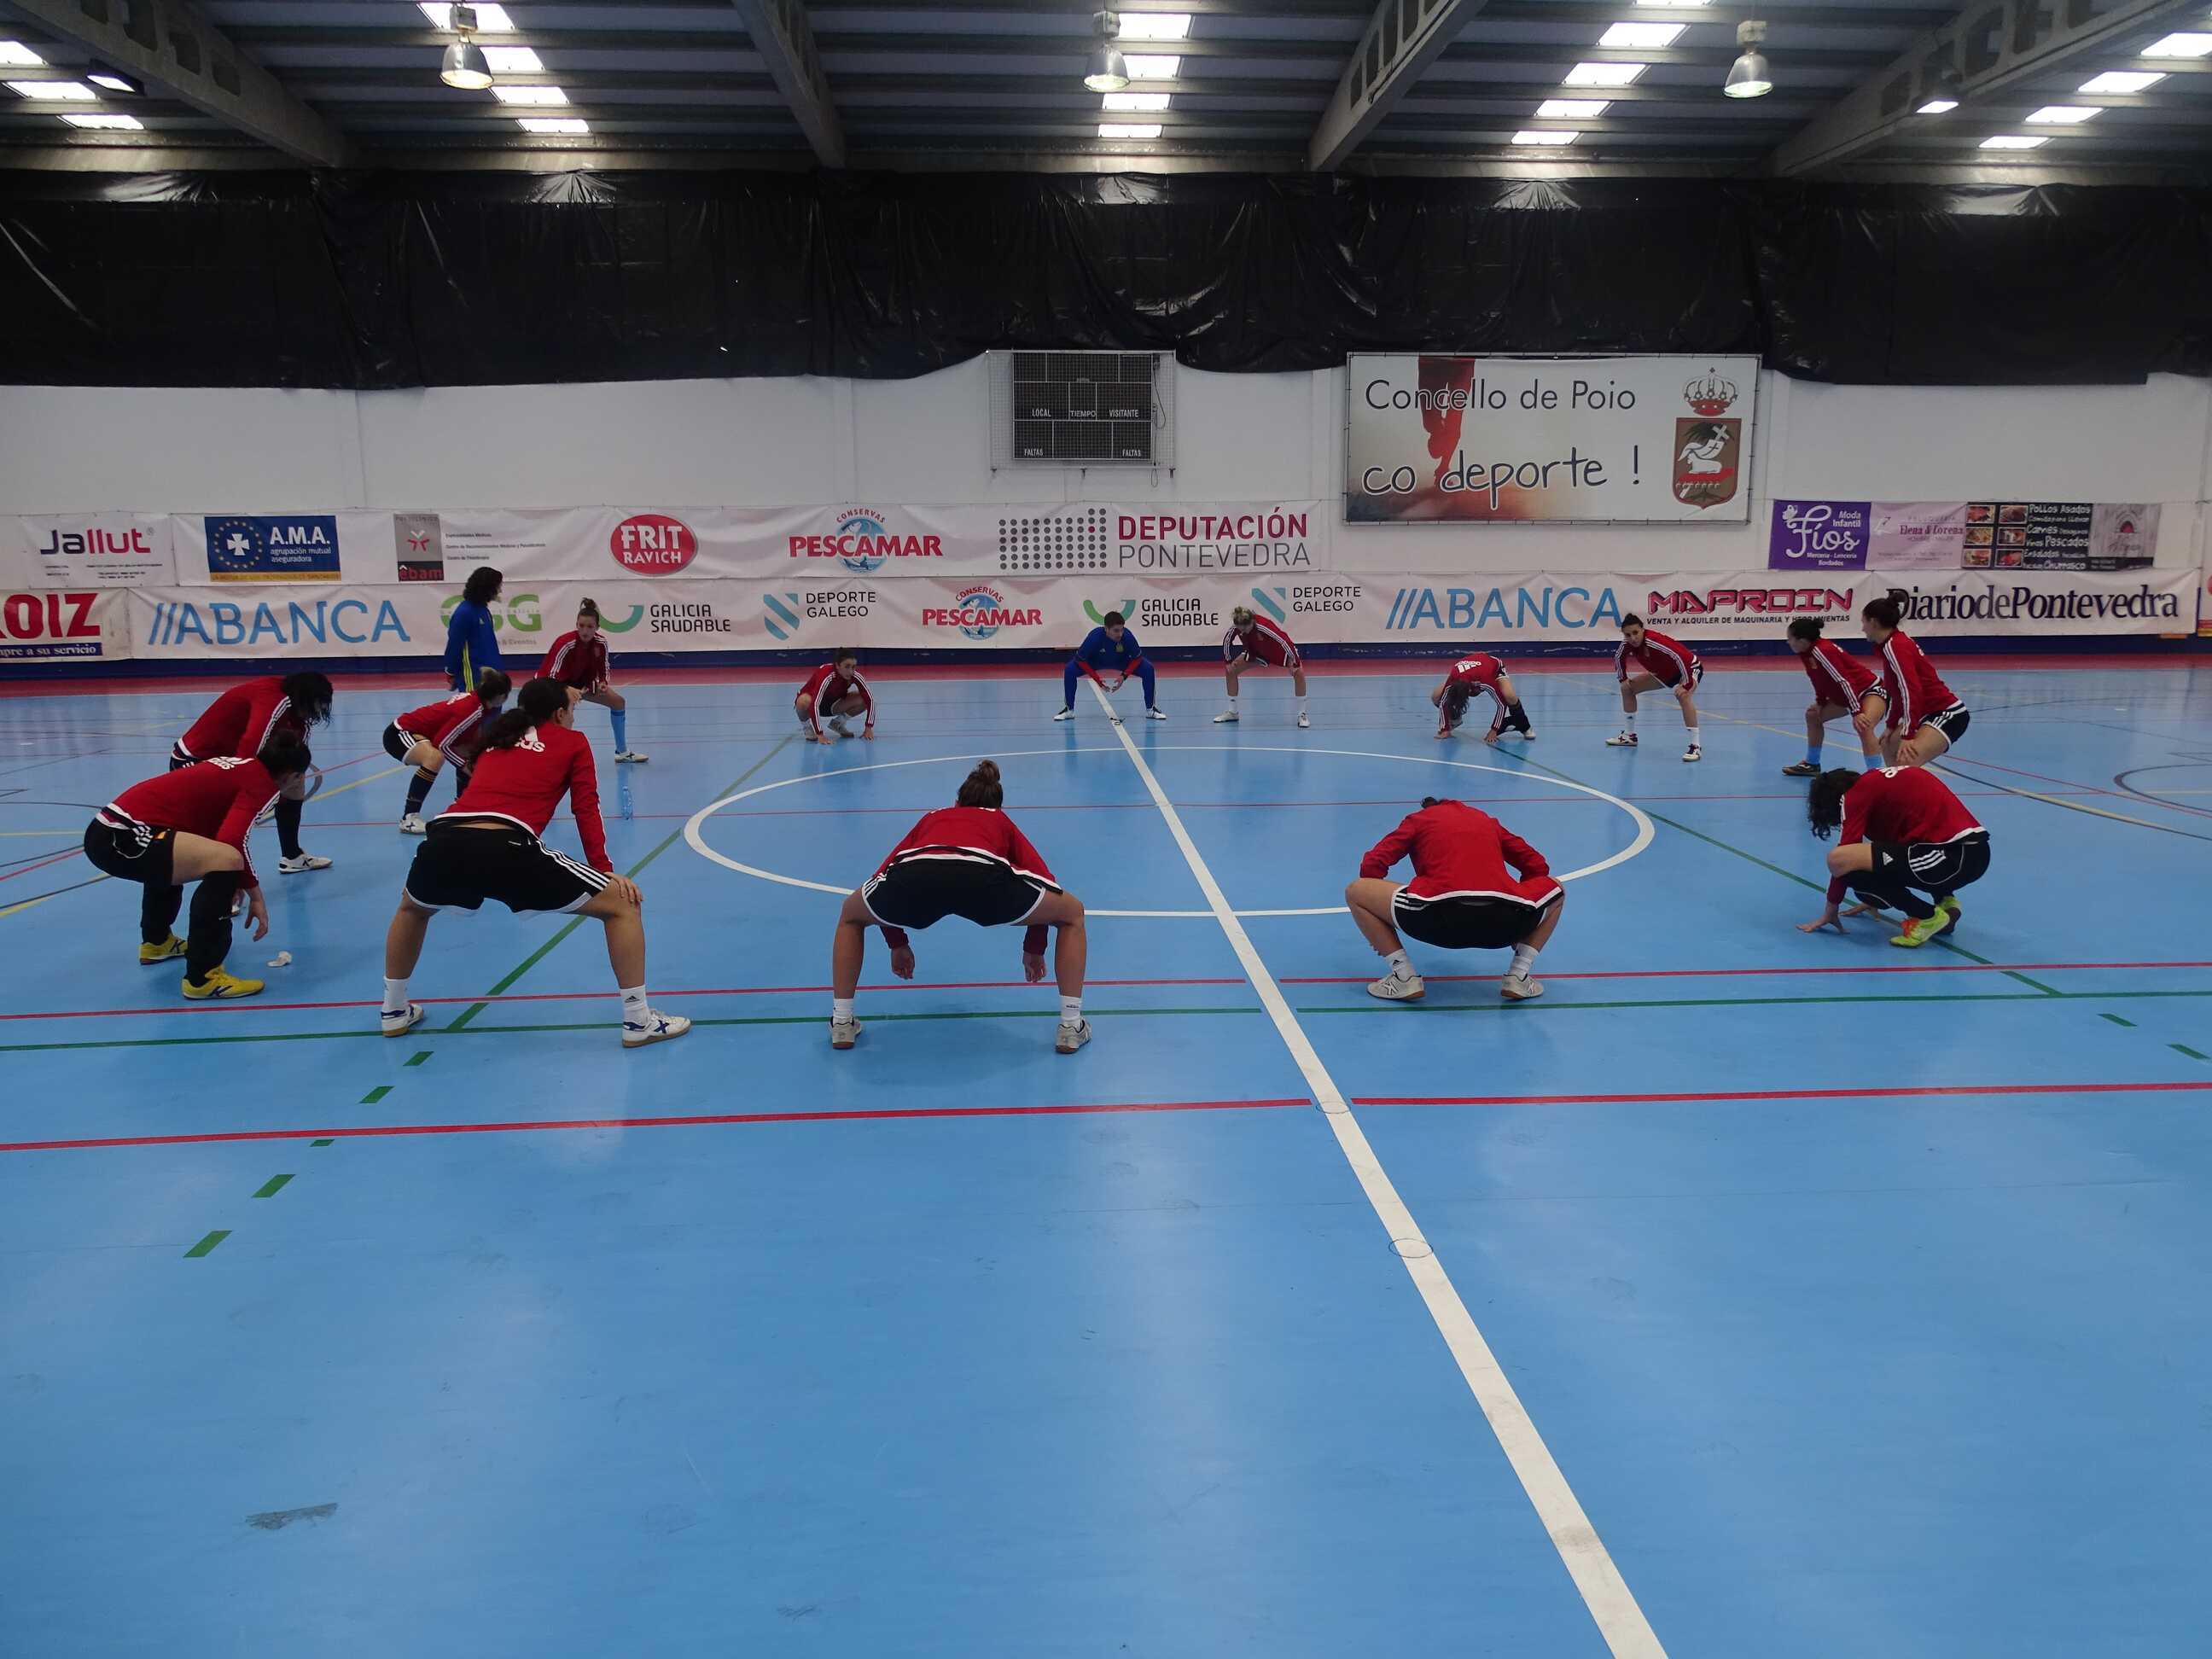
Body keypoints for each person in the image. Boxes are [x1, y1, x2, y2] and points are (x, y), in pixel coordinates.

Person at [379, 677, 688, 1050]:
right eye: (571, 710)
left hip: (444, 836)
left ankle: (393, 1010)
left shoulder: (497, 737)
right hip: (507, 844)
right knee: (624, 905)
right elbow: (585, 806)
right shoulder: (573, 741)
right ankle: (639, 1021)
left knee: (412, 909)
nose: (573, 717)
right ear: (558, 713)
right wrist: (603, 868)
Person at [829, 760, 1090, 1054]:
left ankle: (842, 1022)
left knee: (851, 915)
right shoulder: (999, 820)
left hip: (918, 875)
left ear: (956, 802)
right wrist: (1034, 946)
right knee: (1072, 913)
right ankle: (1071, 1026)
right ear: (998, 807)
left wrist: (897, 942)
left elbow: (884, 873)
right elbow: (1043, 879)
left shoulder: (933, 817)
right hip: (982, 878)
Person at [81, 734, 313, 1001]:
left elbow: (216, 831)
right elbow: (232, 842)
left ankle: (157, 943)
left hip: (109, 831)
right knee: (227, 862)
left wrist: (235, 882)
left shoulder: (242, 765)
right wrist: (255, 894)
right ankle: (203, 978)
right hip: (123, 837)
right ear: (292, 776)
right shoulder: (263, 785)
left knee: (187, 854)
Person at [1347, 795, 1563, 1004]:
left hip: (1437, 920)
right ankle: (1519, 975)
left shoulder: (1418, 820)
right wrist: (1522, 912)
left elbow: (1372, 866)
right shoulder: (1486, 820)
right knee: (1556, 889)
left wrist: (1382, 914)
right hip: (1504, 925)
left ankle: (1403, 977)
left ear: (1428, 808)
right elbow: (1537, 867)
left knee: (1357, 891)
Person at [1797, 763, 1989, 948]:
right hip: (1975, 855)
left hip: (1949, 859)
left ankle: (1927, 917)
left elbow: (1844, 857)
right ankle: (1946, 901)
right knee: (1869, 869)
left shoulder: (1854, 795)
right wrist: (1875, 894)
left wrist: (1832, 908)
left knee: (1839, 860)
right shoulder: (1882, 783)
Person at [170, 671, 335, 875]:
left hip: (226, 759)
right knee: (226, 821)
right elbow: (249, 747)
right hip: (194, 759)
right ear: (304, 698)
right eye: (314, 707)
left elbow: (294, 758)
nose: (314, 715)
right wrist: (254, 791)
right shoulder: (273, 700)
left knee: (296, 780)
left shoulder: (297, 715)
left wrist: (282, 785)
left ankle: (292, 857)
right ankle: (219, 878)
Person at [384, 670, 511, 834]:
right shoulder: (471, 709)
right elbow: (442, 745)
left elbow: (466, 745)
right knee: (435, 758)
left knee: (471, 753)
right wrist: (465, 766)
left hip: (419, 735)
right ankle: (409, 818)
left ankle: (463, 807)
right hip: (399, 734)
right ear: (501, 696)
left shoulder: (477, 705)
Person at [1860, 594, 1968, 766]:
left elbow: (1911, 691)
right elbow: (1896, 692)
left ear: (1873, 622)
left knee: (1907, 759)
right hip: (1924, 714)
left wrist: (1908, 735)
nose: (1863, 628)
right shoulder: (1890, 645)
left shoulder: (1896, 646)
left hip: (1946, 713)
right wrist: (1891, 725)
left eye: (1864, 622)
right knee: (1887, 746)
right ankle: (1891, 784)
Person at [539, 597, 646, 763]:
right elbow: (551, 677)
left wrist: (603, 682)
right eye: (581, 626)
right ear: (576, 625)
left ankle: (622, 752)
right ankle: (557, 755)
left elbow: (604, 668)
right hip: (550, 685)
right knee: (567, 712)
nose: (585, 631)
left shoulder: (601, 643)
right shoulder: (565, 643)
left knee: (618, 702)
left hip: (581, 685)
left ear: (597, 627)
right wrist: (569, 691)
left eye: (590, 627)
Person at [1782, 616, 1883, 776]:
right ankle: (1812, 764)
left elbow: (1844, 681)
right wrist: (1820, 702)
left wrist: (1857, 712)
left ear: (1802, 640)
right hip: (1851, 694)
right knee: (1813, 716)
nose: (1788, 642)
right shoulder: (1806, 652)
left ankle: (1876, 774)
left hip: (1870, 690)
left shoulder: (1822, 651)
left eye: (1790, 639)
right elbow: (1817, 678)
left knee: (1864, 726)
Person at [1608, 614, 1703, 761]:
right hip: (1664, 674)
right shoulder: (1627, 643)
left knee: (1683, 696)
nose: (1633, 638)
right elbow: (1618, 657)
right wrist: (1623, 678)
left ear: (1642, 630)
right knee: (1627, 689)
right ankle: (1629, 736)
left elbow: (1680, 657)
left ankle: (1695, 746)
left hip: (1689, 668)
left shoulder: (1653, 640)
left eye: (1635, 632)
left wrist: (1687, 684)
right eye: (1628, 635)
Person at [1056, 611, 1163, 724]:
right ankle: (1069, 710)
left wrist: (1124, 675)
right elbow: (1080, 660)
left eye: (1122, 629)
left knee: (1148, 669)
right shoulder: (1094, 637)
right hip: (1095, 662)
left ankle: (1151, 710)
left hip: (1122, 661)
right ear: (1106, 629)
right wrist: (1096, 679)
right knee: (1070, 670)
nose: (1120, 634)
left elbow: (1137, 658)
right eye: (1116, 630)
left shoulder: (1127, 636)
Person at [1215, 605, 1309, 728]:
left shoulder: (1264, 625)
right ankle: (1233, 712)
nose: (1243, 632)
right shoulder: (1237, 626)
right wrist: (1228, 662)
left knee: (1299, 672)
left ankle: (1302, 714)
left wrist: (1295, 663)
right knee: (1231, 670)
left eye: (1245, 629)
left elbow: (1284, 641)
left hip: (1278, 653)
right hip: (1257, 653)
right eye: (1240, 629)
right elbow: (1227, 641)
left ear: (1252, 622)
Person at [1429, 652, 1534, 743]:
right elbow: (1443, 702)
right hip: (1469, 671)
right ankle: (1454, 719)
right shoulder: (1453, 678)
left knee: (1509, 696)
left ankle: (1525, 726)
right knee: (1436, 696)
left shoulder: (1484, 680)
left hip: (1494, 668)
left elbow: (1501, 704)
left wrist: (1494, 730)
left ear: (1470, 690)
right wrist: (1445, 729)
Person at [444, 566, 505, 694]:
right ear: (487, 588)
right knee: (476, 707)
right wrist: (451, 671)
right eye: (498, 586)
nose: (500, 590)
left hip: (493, 676)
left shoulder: (484, 610)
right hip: (473, 677)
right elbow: (454, 645)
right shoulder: (464, 613)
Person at [795, 649, 875, 745]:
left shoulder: (855, 676)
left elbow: (870, 700)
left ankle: (837, 723)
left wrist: (869, 727)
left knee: (863, 698)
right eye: (847, 667)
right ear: (837, 666)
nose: (851, 671)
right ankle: (807, 727)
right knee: (802, 700)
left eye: (853, 667)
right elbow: (815, 704)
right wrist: (820, 734)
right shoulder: (826, 675)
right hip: (812, 704)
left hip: (834, 705)